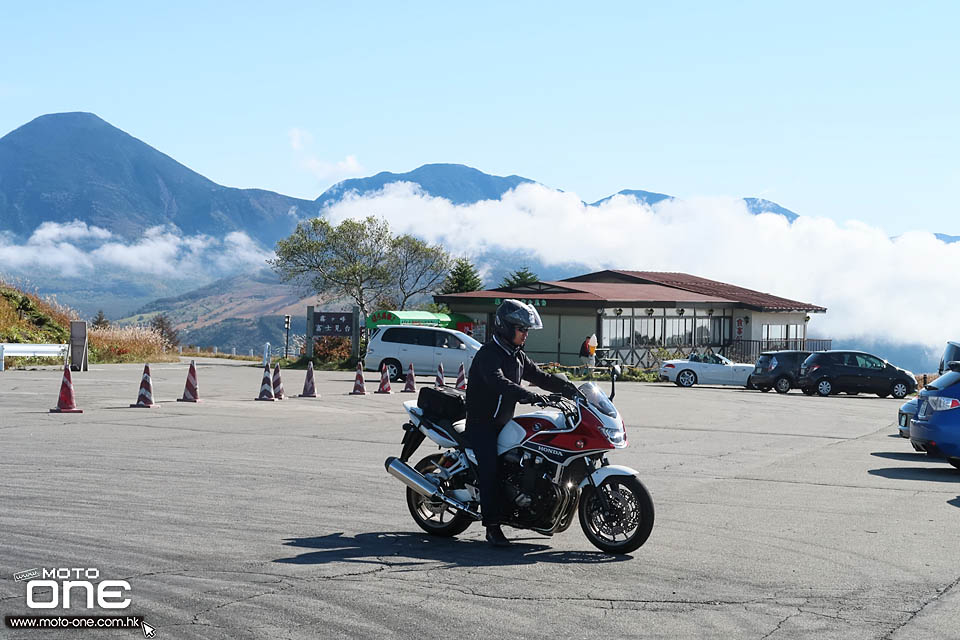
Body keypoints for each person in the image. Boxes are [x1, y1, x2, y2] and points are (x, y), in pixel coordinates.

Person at [465, 299, 577, 547]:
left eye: (527, 330)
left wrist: (571, 390)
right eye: (522, 329)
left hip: (502, 424)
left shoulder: (517, 355)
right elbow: (499, 382)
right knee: (491, 470)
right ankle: (492, 526)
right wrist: (530, 396)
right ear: (506, 327)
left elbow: (539, 376)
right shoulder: (489, 354)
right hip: (481, 424)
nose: (526, 334)